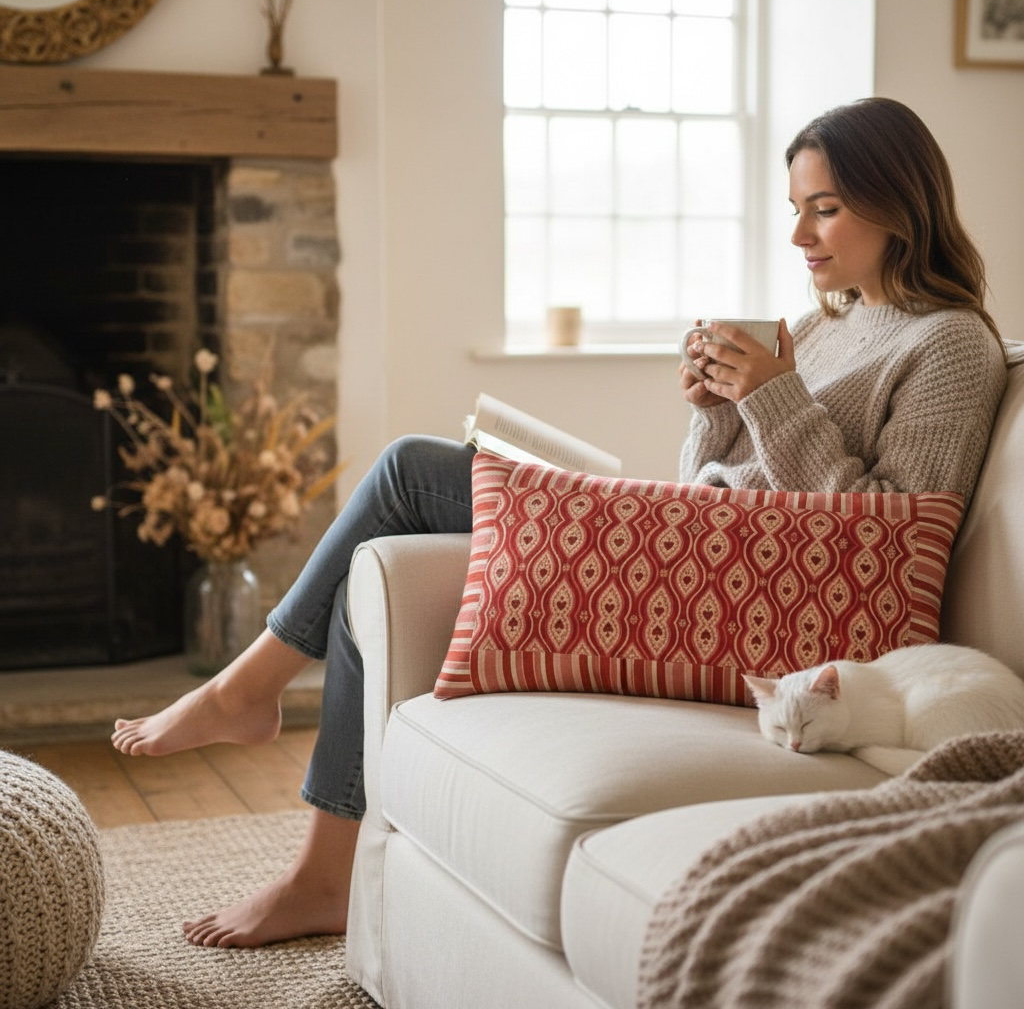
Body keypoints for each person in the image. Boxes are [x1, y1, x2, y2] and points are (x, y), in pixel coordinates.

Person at [111, 97, 1007, 949]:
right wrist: (712, 409)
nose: (799, 235)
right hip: (713, 553)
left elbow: (884, 540)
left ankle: (250, 695)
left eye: (826, 209)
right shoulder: (822, 326)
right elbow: (709, 480)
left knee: (412, 471)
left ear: (899, 203)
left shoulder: (951, 344)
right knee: (380, 550)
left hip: (787, 618)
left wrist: (771, 398)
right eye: (795, 209)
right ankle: (317, 861)